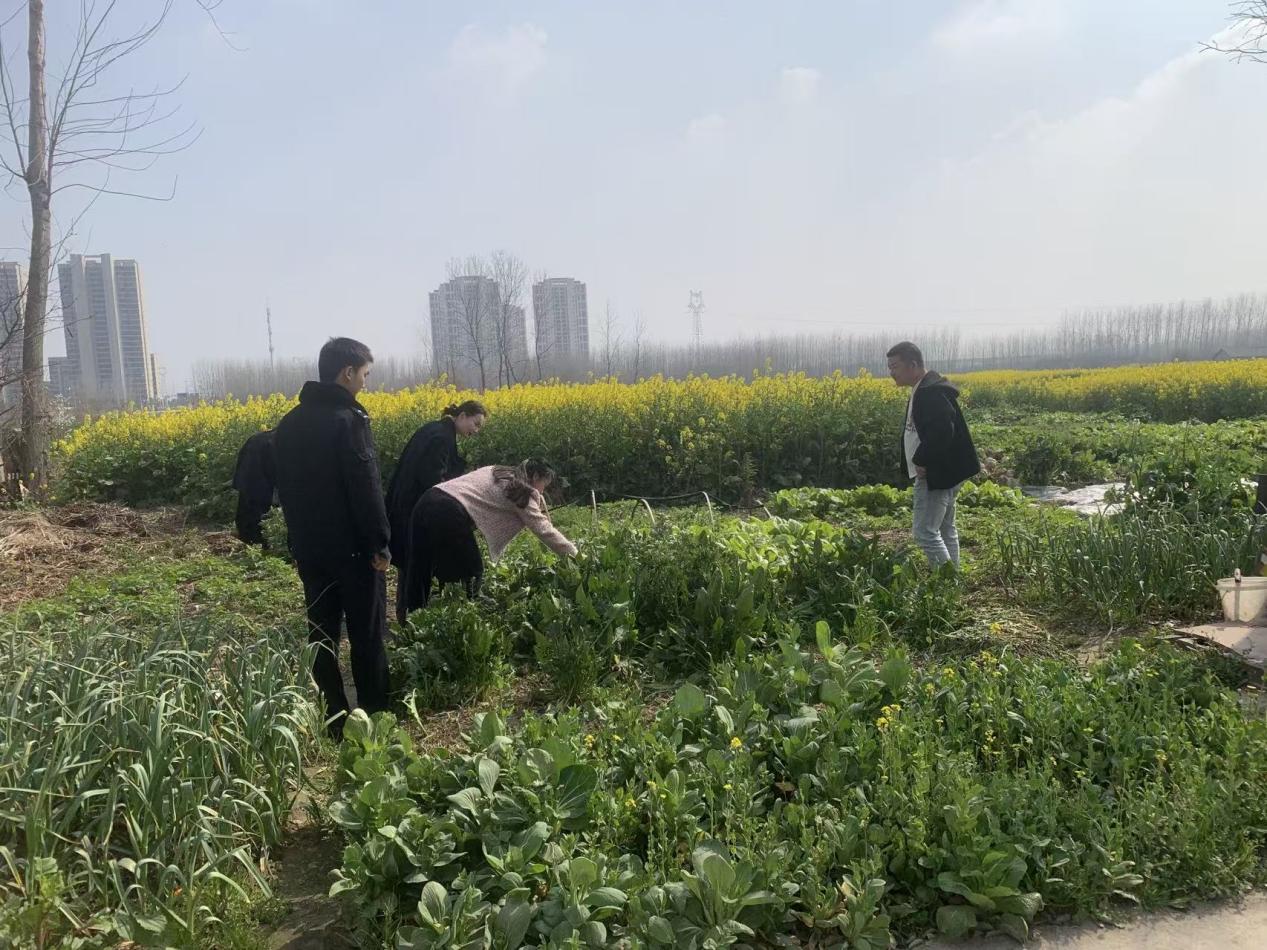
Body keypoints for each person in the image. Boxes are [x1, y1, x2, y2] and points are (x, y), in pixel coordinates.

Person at [274, 338, 392, 739]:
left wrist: (297, 543)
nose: (365, 382)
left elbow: (285, 490)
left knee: (322, 635)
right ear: (347, 372)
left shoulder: (289, 424)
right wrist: (380, 543)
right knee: (367, 634)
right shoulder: (349, 420)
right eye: (365, 374)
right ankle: (374, 720)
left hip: (310, 550)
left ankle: (334, 720)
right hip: (355, 551)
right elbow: (365, 487)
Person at [400, 459, 577, 617]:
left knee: (421, 566)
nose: (542, 490)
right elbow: (544, 530)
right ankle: (460, 619)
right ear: (536, 476)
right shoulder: (520, 492)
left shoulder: (498, 471)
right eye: (544, 484)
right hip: (448, 512)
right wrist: (575, 555)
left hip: (427, 500)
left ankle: (412, 622)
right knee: (470, 571)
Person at [385, 400, 487, 622]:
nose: (476, 430)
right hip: (414, 509)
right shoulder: (441, 438)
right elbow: (433, 480)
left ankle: (407, 616)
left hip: (405, 506)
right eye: (476, 423)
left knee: (409, 564)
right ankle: (409, 620)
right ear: (462, 416)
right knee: (415, 566)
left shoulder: (435, 429)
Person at [886, 341, 980, 569]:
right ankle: (953, 578)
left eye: (895, 367)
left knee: (924, 532)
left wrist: (922, 459)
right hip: (945, 471)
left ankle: (947, 582)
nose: (891, 373)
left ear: (913, 365)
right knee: (946, 528)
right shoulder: (925, 387)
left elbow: (943, 431)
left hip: (935, 474)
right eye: (889, 367)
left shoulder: (929, 393)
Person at [231, 429, 277, 546]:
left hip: (251, 478)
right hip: (260, 481)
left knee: (250, 502)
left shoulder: (258, 439)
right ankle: (257, 542)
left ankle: (250, 539)